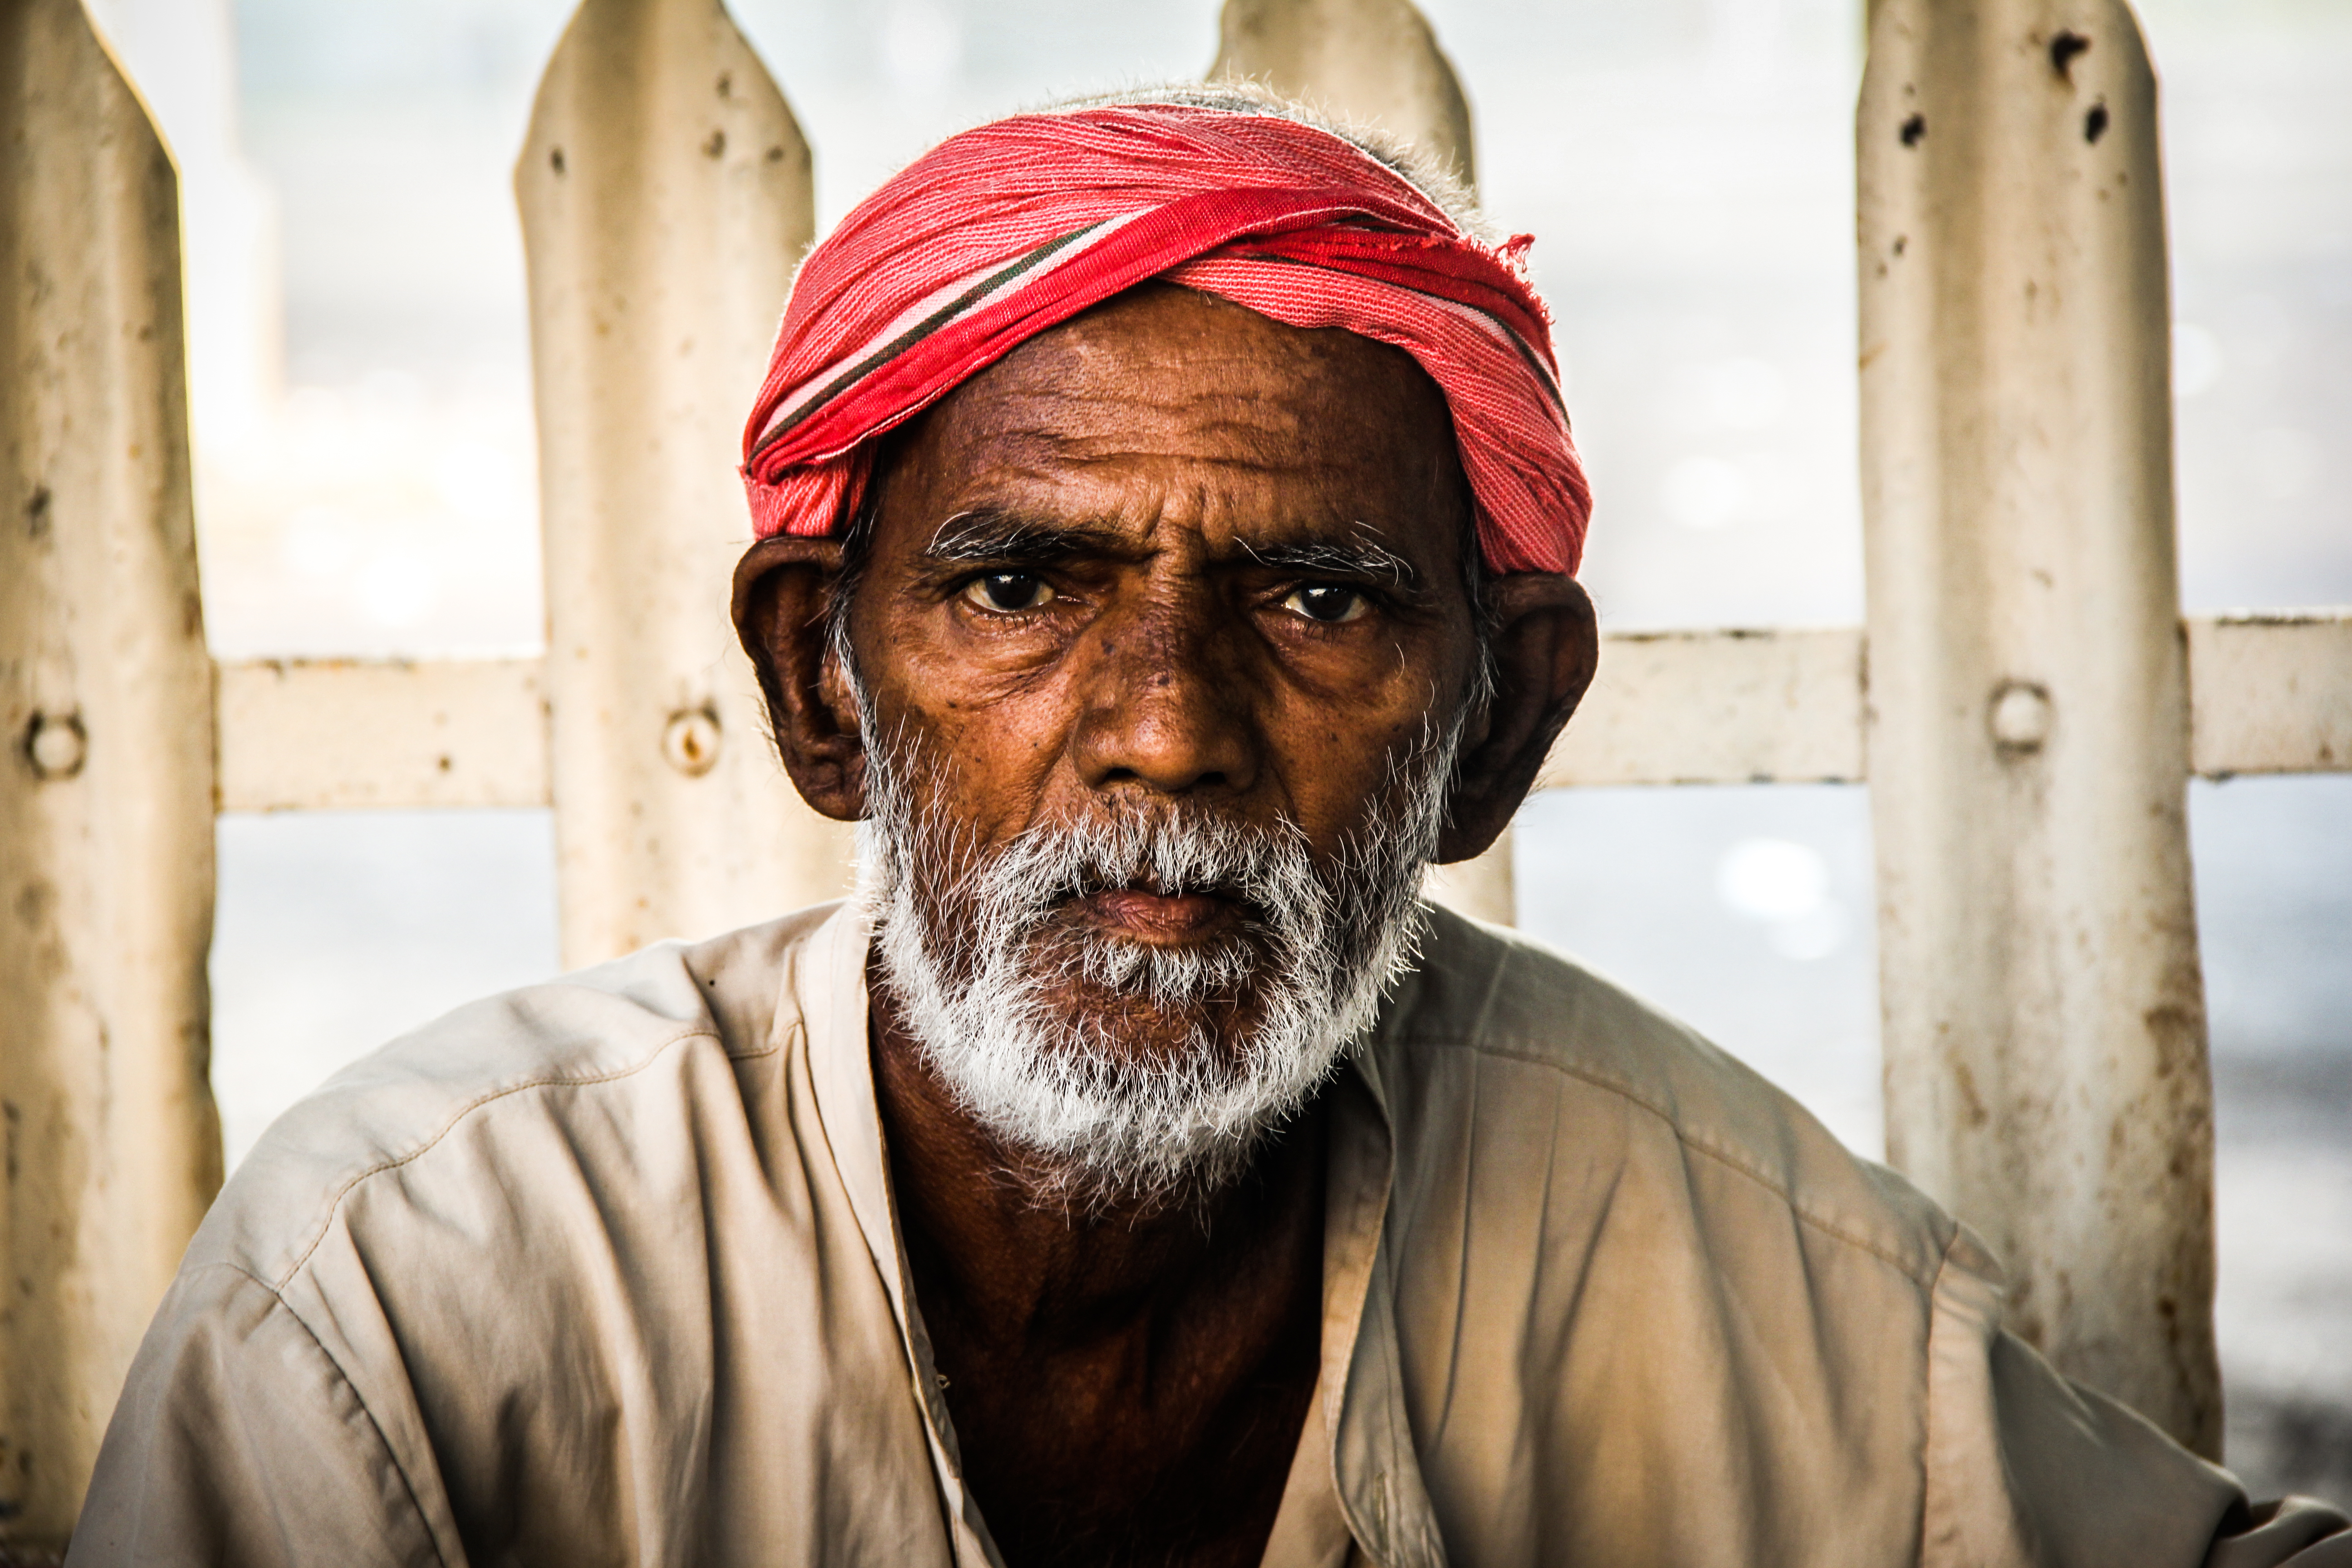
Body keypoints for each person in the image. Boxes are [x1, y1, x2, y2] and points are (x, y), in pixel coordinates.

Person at [69, 88, 2350, 1568]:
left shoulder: (1691, 1234)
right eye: (1019, 584)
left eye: (1323, 599)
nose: (1166, 730)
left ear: (1493, 736)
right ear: (818, 684)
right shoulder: (417, 1299)